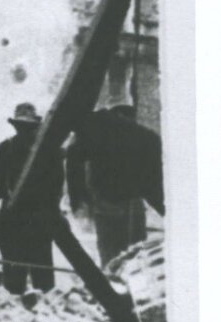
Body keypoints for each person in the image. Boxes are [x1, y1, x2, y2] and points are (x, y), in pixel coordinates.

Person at [65, 103, 164, 265]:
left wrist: (79, 201)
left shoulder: (92, 129)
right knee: (133, 250)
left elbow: (73, 167)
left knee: (114, 251)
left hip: (111, 200)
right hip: (127, 196)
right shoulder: (139, 134)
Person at [0, 102, 60, 297]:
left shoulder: (47, 152)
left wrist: (54, 215)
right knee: (14, 281)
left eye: (29, 127)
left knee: (42, 280)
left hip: (38, 220)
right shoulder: (5, 149)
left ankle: (46, 316)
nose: (25, 131)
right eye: (21, 127)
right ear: (16, 127)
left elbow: (56, 188)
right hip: (14, 220)